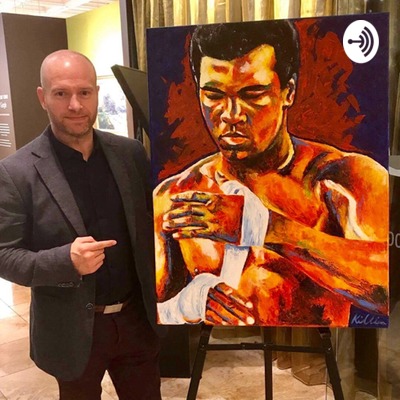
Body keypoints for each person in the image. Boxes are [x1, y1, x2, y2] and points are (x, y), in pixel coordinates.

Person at [153, 20, 389, 327]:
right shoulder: (175, 196)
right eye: (213, 95)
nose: (231, 115)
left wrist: (263, 226)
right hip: (226, 354)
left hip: (305, 348)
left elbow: (385, 287)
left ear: (288, 92)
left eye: (253, 94)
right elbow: (150, 308)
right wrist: (187, 304)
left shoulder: (345, 178)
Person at [0, 50, 165, 399]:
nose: (75, 105)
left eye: (84, 92)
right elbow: (5, 255)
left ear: (96, 93)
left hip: (137, 322)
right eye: (61, 93)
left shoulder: (131, 153)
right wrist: (65, 261)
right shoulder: (16, 172)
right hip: (71, 331)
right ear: (43, 97)